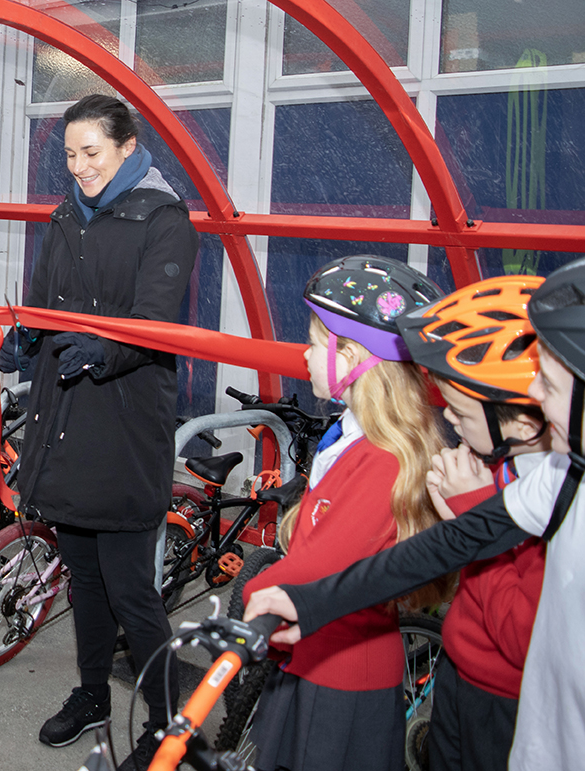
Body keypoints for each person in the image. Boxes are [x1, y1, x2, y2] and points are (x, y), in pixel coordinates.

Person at [244, 258, 585, 771]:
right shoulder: (554, 474)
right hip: (464, 687)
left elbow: (525, 634)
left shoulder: (550, 475)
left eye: (551, 390)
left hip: (509, 712)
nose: (537, 395)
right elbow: (439, 550)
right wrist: (309, 603)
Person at [0, 94, 197, 771]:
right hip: (64, 415)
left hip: (122, 421)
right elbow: (48, 295)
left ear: (125, 145)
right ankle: (91, 694)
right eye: (70, 155)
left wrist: (104, 352)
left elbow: (154, 321)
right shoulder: (65, 215)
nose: (79, 166)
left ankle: (171, 724)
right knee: (82, 578)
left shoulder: (163, 218)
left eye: (91, 152)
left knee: (130, 591)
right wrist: (27, 334)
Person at [237, 255, 448, 771]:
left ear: (351, 357)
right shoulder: (355, 436)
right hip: (317, 656)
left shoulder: (381, 460)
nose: (304, 355)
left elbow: (319, 571)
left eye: (313, 342)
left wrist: (252, 596)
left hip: (340, 678)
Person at [397, 274, 550, 771]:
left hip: (508, 702)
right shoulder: (500, 465)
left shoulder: (555, 501)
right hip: (463, 674)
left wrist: (473, 513)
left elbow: (524, 636)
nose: (452, 426)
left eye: (461, 414)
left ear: (524, 423)